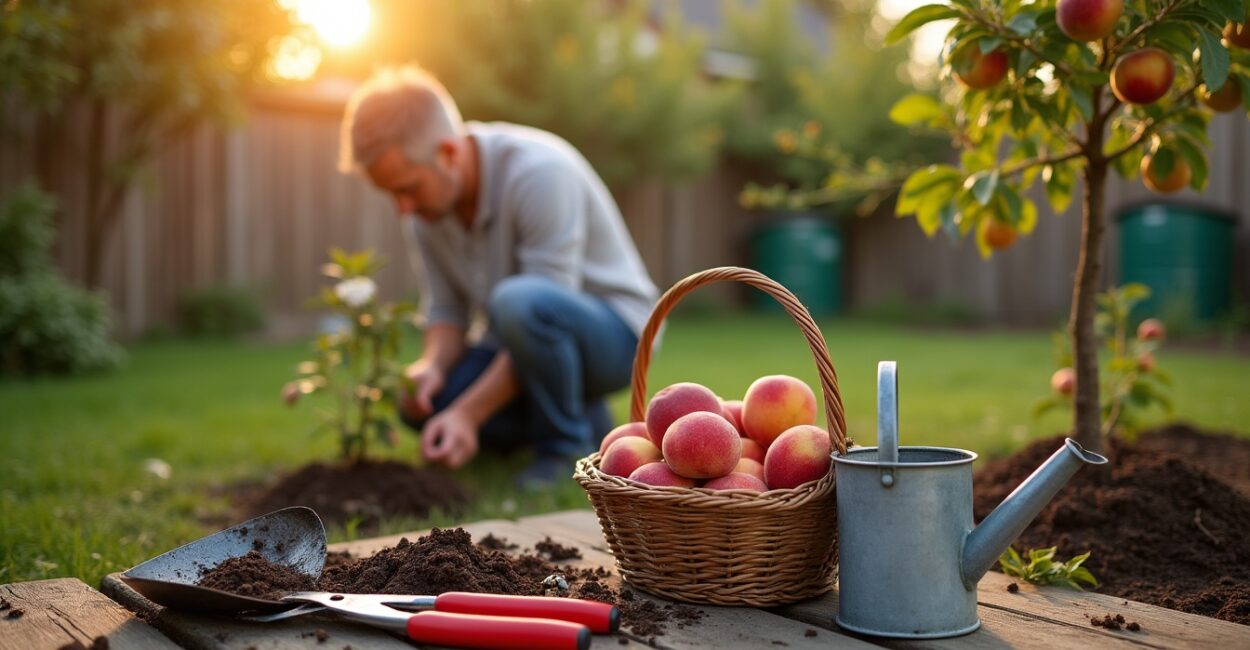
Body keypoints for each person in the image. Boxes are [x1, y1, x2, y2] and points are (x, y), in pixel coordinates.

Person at [338, 66, 659, 488]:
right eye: (392, 194)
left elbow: (540, 309)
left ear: (449, 153)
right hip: (523, 339)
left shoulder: (540, 172)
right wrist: (431, 368)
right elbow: (447, 311)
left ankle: (563, 449)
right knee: (423, 406)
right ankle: (581, 415)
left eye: (409, 189)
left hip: (617, 338)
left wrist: (469, 413)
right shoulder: (425, 213)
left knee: (520, 302)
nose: (403, 207)